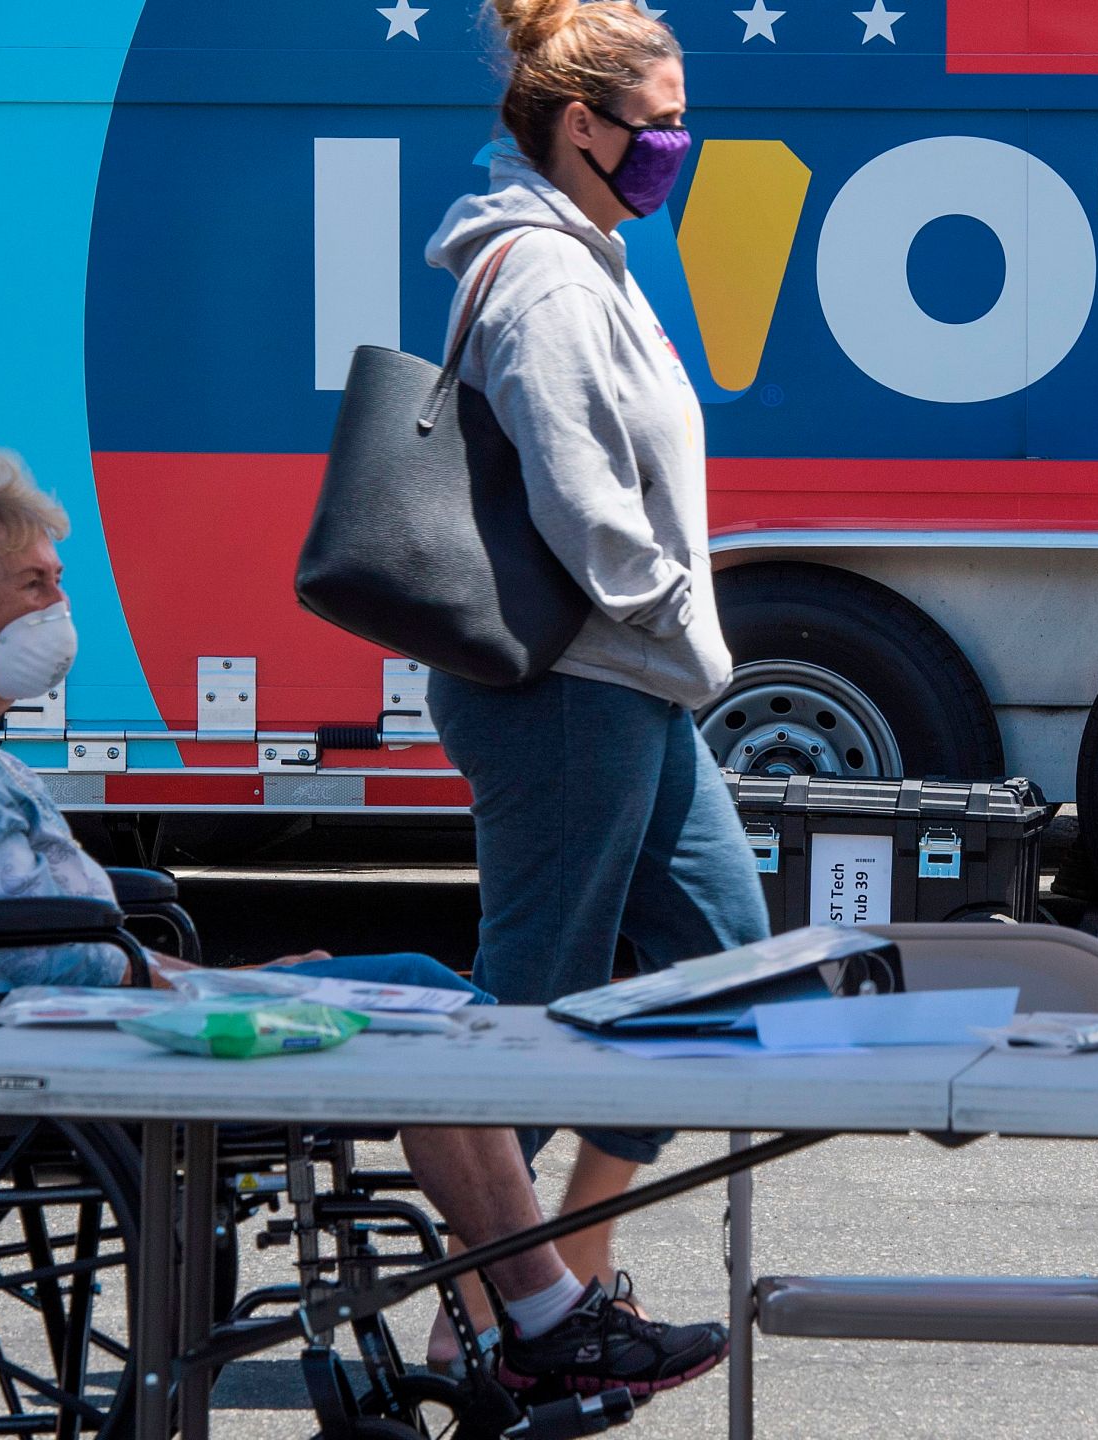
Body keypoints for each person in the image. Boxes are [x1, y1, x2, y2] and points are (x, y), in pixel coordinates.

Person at [0, 440, 730, 1397]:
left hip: (95, 1015)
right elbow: (39, 958)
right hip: (57, 1045)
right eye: (31, 584)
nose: (57, 607)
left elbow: (49, 939)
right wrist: (231, 984)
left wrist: (227, 978)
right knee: (426, 1011)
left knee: (424, 997)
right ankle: (546, 1315)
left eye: (56, 581)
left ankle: (538, 1311)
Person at [421, 0, 772, 1304]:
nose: (681, 145)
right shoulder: (552, 277)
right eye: (664, 121)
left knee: (724, 958)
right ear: (584, 125)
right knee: (534, 996)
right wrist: (684, 617)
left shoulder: (589, 255)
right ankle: (489, 1308)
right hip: (573, 686)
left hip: (625, 685)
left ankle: (570, 1255)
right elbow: (583, 504)